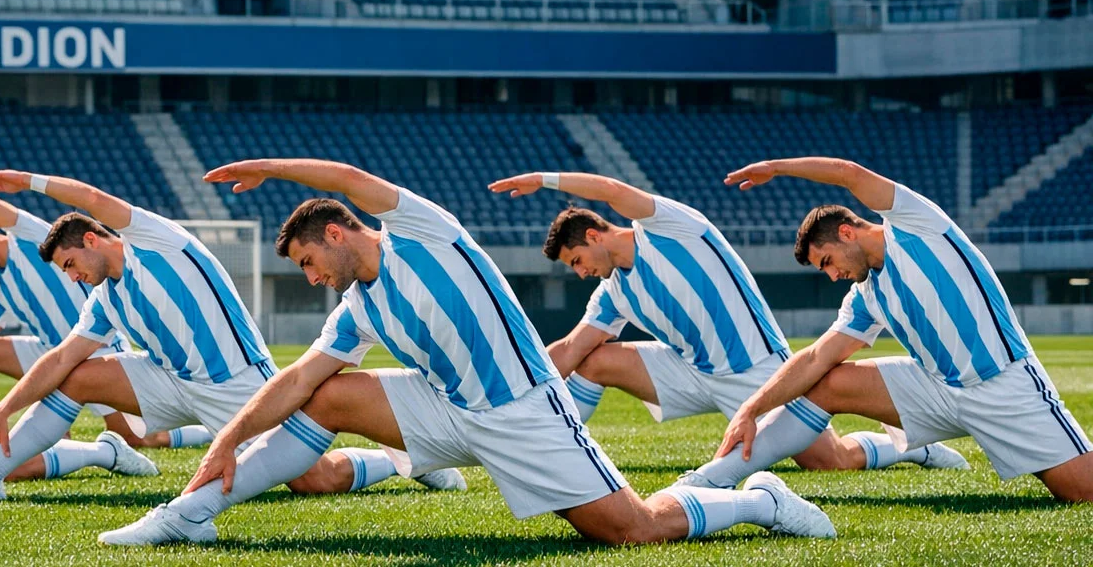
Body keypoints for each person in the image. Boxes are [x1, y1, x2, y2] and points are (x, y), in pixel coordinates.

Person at [98, 159, 833, 546]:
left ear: (334, 233)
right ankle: (188, 511)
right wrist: (225, 441)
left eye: (307, 263)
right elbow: (296, 377)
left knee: (629, 531)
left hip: (522, 412)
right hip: (446, 412)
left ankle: (757, 502)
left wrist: (276, 170)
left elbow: (352, 181)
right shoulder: (358, 307)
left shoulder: (427, 234)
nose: (311, 280)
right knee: (320, 393)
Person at [0, 169, 458, 502]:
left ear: (97, 240)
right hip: (171, 382)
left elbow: (93, 197)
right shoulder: (105, 297)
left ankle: (398, 461)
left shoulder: (159, 242)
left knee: (314, 482)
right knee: (74, 377)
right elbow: (56, 361)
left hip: (236, 384)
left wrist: (29, 183)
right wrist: (1, 410)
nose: (73, 277)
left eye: (74, 263)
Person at [486, 170, 964, 474]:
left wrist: (544, 181)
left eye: (576, 259)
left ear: (594, 235)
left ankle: (905, 449)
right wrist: (513, 398)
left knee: (830, 462)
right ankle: (563, 451)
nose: (580, 272)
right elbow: (568, 349)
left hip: (755, 368)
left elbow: (613, 191)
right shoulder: (613, 292)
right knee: (591, 360)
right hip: (690, 373)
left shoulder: (674, 231)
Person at [677, 157, 1092, 502]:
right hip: (938, 389)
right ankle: (713, 478)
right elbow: (816, 357)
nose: (833, 275)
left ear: (846, 232)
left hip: (1004, 386)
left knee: (1083, 493)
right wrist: (750, 410)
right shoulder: (866, 293)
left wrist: (778, 169)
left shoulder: (915, 224)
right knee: (827, 381)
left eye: (827, 262)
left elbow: (849, 174)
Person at [0, 182, 210, 464]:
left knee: (138, 439)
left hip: (92, 349)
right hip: (49, 352)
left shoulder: (32, 239)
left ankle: (207, 429)